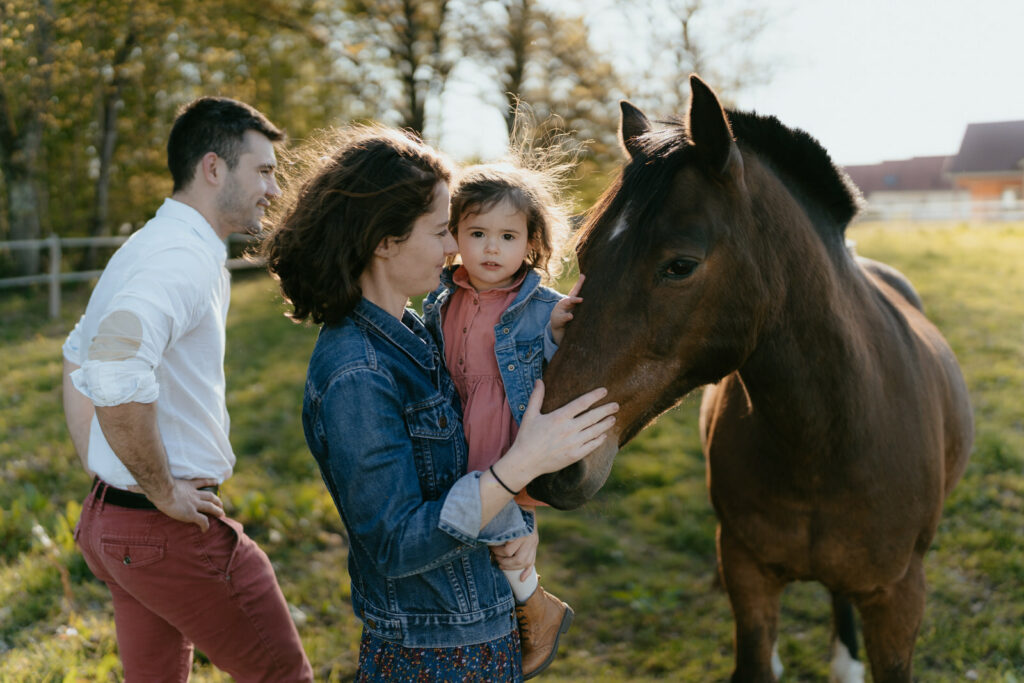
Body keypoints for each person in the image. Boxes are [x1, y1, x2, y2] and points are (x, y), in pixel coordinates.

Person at [262, 125, 617, 682]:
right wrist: (524, 462)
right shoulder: (357, 371)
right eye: (440, 230)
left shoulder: (416, 331)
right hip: (432, 654)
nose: (455, 248)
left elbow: (461, 468)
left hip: (481, 624)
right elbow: (397, 542)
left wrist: (513, 514)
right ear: (385, 239)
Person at [61, 97, 313, 682]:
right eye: (265, 171)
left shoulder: (149, 245)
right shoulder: (180, 257)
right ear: (214, 168)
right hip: (165, 530)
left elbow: (78, 354)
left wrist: (102, 461)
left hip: (115, 522)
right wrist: (162, 490)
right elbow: (114, 365)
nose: (273, 190)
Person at [421, 161, 584, 678]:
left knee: (509, 541)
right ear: (454, 236)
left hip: (509, 443)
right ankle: (493, 613)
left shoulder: (543, 307)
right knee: (466, 537)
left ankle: (535, 606)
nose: (492, 249)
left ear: (531, 244)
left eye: (508, 236)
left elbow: (559, 381)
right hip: (454, 435)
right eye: (478, 233)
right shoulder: (440, 298)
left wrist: (556, 339)